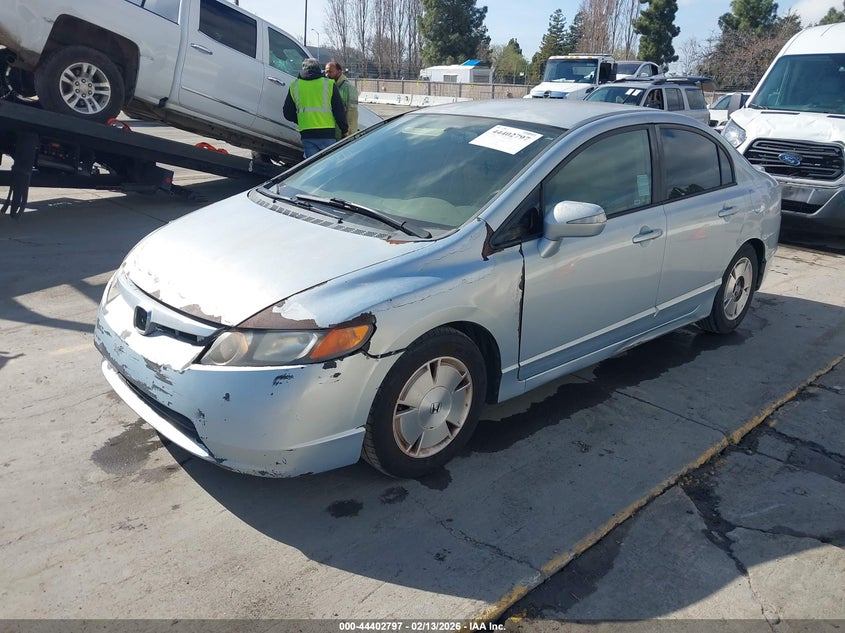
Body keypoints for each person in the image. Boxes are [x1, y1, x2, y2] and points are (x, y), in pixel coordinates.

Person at [283, 58, 348, 159]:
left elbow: (287, 113)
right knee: (329, 163)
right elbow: (339, 111)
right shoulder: (329, 84)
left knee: (313, 164)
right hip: (327, 133)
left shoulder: (294, 85)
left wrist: (302, 120)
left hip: (307, 133)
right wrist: (345, 130)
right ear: (319, 69)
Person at [324, 60, 359, 141]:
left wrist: (348, 133)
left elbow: (352, 113)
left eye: (330, 72)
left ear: (339, 71)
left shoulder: (349, 88)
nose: (327, 75)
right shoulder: (327, 87)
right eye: (326, 72)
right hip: (331, 133)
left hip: (342, 134)